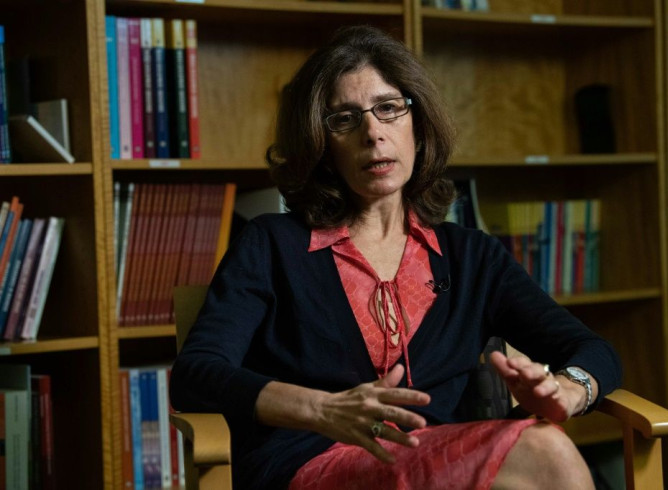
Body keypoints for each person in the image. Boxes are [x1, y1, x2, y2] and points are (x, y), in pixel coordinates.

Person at [169, 25, 622, 490]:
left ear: (418, 126)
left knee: (544, 439)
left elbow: (592, 351)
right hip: (308, 466)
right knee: (543, 452)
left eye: (388, 108)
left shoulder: (472, 256)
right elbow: (197, 374)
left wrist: (564, 391)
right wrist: (323, 409)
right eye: (344, 119)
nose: (373, 133)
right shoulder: (271, 245)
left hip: (448, 463)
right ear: (321, 145)